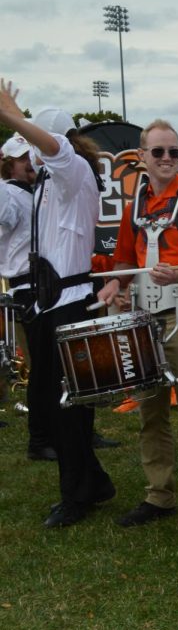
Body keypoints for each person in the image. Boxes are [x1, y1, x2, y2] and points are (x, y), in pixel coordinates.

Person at [97, 119, 178, 534]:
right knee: (150, 412)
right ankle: (159, 494)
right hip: (145, 319)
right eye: (159, 152)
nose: (168, 159)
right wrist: (116, 285)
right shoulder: (134, 204)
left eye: (174, 151)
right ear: (142, 157)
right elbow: (122, 259)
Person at [0, 82, 114, 526]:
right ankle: (91, 483)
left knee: (66, 406)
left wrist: (11, 114)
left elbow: (51, 145)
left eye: (32, 143)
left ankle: (78, 495)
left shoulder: (72, 170)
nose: (28, 154)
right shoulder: (49, 179)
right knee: (58, 403)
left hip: (69, 302)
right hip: (52, 302)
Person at [0, 134, 52, 461]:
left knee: (56, 361)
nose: (29, 163)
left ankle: (74, 429)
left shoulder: (33, 191)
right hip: (24, 282)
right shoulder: (7, 192)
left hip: (47, 280)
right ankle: (40, 438)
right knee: (42, 363)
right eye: (22, 159)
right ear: (8, 164)